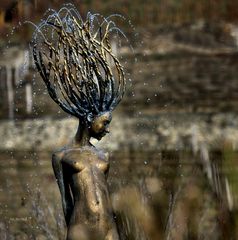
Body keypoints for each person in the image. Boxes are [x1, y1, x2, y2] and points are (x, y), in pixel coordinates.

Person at [32, 5, 125, 240]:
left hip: (108, 226)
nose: (106, 129)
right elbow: (66, 202)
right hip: (81, 227)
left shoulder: (103, 155)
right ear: (88, 119)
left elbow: (105, 194)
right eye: (103, 123)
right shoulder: (62, 157)